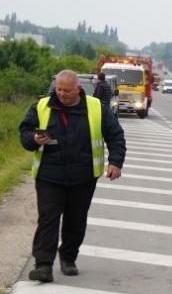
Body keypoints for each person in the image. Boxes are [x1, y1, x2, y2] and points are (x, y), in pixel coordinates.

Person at [19, 70, 126, 283]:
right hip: (49, 175)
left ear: (78, 89)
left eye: (66, 90)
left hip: (83, 176)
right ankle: (43, 265)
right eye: (58, 89)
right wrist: (34, 139)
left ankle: (68, 258)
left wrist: (115, 162)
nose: (61, 94)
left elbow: (116, 135)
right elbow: (25, 133)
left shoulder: (96, 108)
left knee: (75, 220)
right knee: (48, 219)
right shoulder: (41, 106)